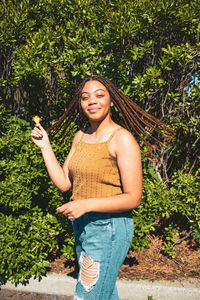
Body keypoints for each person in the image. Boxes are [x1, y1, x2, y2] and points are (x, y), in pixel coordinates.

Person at [31, 76, 174, 300]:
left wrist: (86, 204)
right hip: (82, 227)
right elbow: (64, 183)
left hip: (109, 229)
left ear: (112, 101)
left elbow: (133, 198)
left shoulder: (122, 139)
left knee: (87, 295)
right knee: (103, 293)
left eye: (99, 95)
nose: (92, 101)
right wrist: (45, 147)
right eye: (85, 97)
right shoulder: (80, 137)